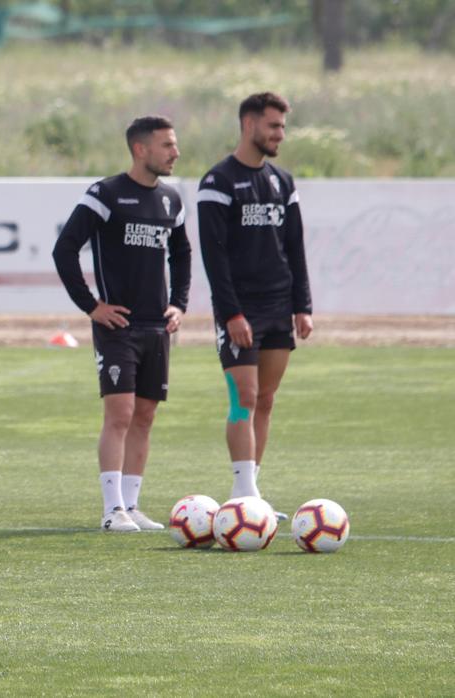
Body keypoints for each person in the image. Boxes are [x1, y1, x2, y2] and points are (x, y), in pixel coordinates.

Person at [53, 116, 191, 532]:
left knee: (145, 416)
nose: (175, 152)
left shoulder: (171, 199)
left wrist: (178, 304)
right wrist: (92, 306)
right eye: (167, 145)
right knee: (120, 413)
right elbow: (65, 250)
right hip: (118, 327)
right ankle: (112, 510)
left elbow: (182, 255)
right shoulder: (106, 194)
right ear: (140, 149)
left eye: (174, 144)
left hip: (157, 327)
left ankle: (132, 505)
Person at [197, 92, 313, 513]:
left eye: (282, 126)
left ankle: (254, 493)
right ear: (249, 125)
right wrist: (231, 313)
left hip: (279, 307)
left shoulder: (283, 181)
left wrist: (303, 306)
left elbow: (295, 247)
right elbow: (214, 256)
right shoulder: (218, 182)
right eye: (273, 126)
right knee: (241, 397)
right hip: (239, 311)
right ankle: (241, 493)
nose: (280, 134)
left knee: (265, 399)